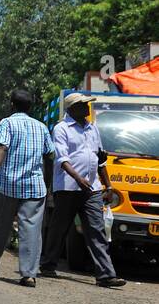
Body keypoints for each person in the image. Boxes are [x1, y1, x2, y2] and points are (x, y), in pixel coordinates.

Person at [39, 93, 127, 288]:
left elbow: (100, 158)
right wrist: (78, 179)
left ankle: (106, 275)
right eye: (83, 104)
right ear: (72, 108)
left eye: (87, 104)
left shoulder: (92, 128)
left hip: (92, 188)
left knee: (96, 230)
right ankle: (48, 264)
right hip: (68, 188)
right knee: (59, 228)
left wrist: (108, 185)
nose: (87, 107)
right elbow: (62, 159)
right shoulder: (61, 129)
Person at [0, 89, 55, 286]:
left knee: (0, 225)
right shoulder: (41, 127)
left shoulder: (7, 123)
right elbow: (50, 156)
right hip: (35, 186)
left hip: (8, 184)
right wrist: (48, 183)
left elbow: (1, 147)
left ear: (11, 105)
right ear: (31, 107)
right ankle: (28, 274)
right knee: (31, 230)